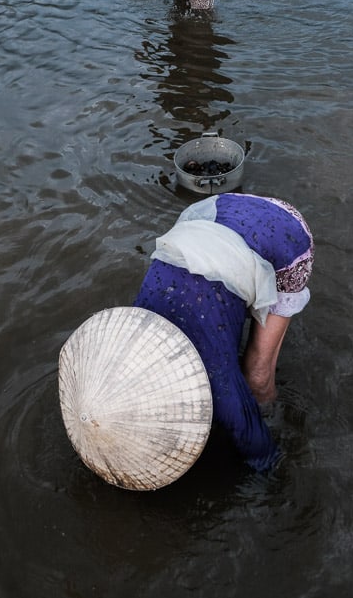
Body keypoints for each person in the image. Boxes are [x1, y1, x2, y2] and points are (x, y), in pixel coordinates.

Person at [133, 193, 314, 472]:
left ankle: (271, 413)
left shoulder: (217, 381)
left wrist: (265, 431)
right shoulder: (134, 324)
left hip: (287, 236)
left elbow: (262, 454)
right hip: (216, 211)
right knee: (220, 313)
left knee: (256, 374)